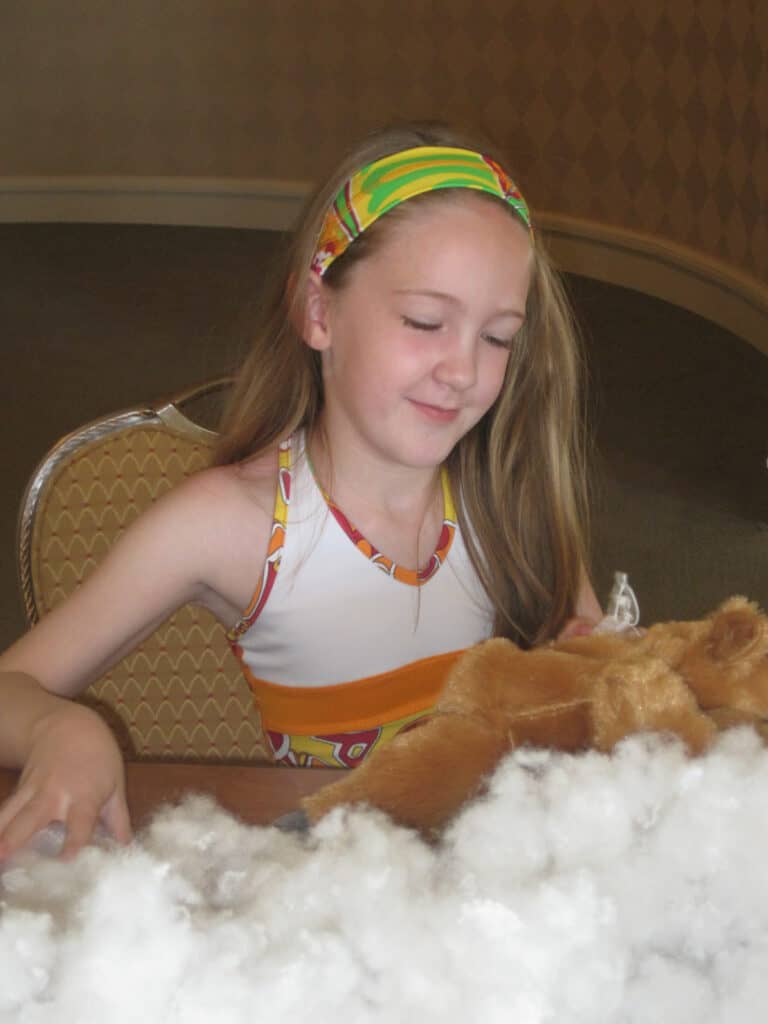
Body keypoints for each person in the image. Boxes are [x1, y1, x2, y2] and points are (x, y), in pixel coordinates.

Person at [0, 122, 601, 861]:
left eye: (498, 337)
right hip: (337, 894)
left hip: (505, 874)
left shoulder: (509, 499)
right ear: (319, 313)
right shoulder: (233, 523)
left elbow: (599, 670)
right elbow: (12, 685)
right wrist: (61, 726)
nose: (463, 370)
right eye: (425, 322)